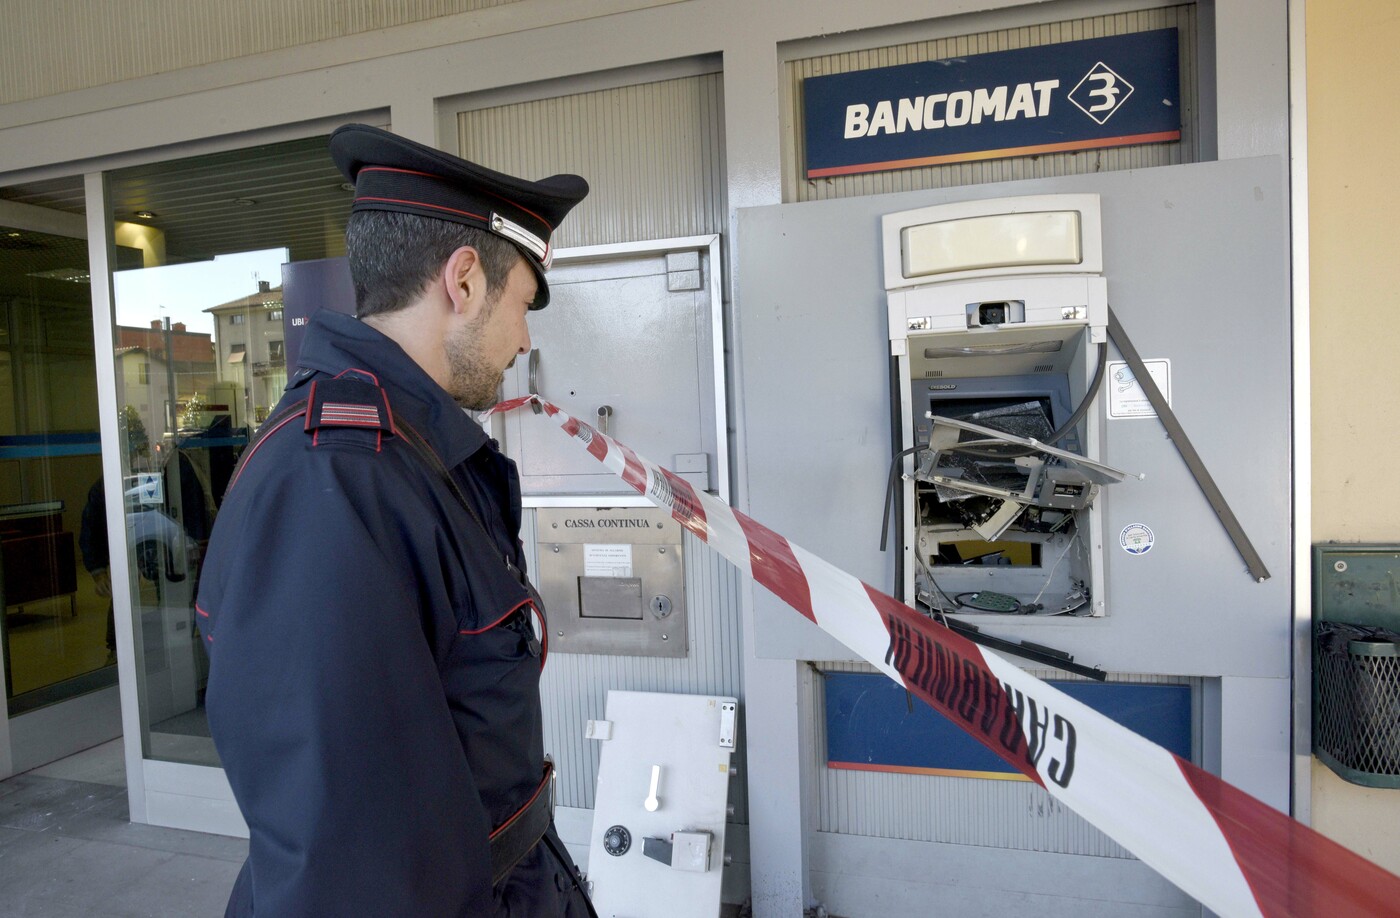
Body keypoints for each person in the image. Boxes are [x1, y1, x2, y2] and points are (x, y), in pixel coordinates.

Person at [197, 123, 594, 917]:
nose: (522, 340)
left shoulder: (403, 455)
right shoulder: (335, 484)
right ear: (465, 281)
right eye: (522, 306)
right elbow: (349, 872)